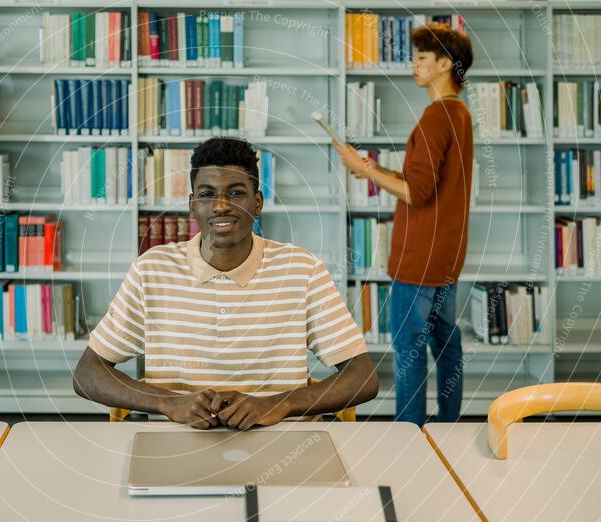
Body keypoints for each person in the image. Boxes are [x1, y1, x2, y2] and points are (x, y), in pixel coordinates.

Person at [74, 137, 378, 429]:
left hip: (284, 439)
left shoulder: (302, 269)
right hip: (174, 444)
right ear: (192, 206)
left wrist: (279, 404)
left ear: (257, 202)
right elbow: (88, 372)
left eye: (235, 193)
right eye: (207, 194)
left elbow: (362, 376)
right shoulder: (151, 270)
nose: (221, 206)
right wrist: (169, 403)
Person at [334, 23, 474, 427]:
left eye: (422, 58)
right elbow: (429, 181)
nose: (414, 64)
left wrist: (364, 170)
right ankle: (448, 427)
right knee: (447, 344)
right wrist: (376, 169)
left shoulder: (434, 117)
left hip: (419, 256)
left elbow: (417, 194)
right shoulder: (459, 114)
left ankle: (408, 434)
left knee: (409, 348)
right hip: (447, 254)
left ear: (445, 63)